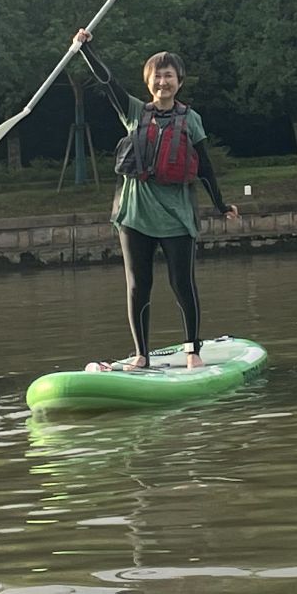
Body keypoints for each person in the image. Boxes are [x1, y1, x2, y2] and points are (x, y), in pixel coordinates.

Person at [76, 32, 237, 370]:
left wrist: (221, 205)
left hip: (177, 217)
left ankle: (192, 351)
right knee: (138, 285)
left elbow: (205, 167)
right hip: (134, 215)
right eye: (157, 75)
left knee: (182, 282)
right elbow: (107, 82)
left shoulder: (191, 120)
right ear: (148, 81)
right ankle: (141, 356)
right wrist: (86, 47)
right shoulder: (134, 111)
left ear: (179, 82)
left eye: (169, 76)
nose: (163, 81)